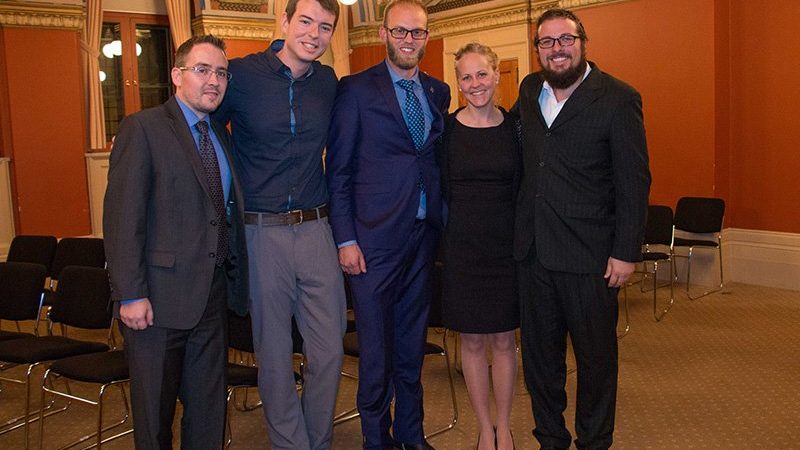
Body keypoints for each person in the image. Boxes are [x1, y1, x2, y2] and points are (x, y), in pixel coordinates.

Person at [513, 8, 651, 450]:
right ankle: (550, 439)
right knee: (540, 363)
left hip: (591, 259)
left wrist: (626, 251)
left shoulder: (618, 98)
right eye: (547, 41)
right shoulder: (529, 90)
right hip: (534, 255)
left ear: (582, 42)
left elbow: (634, 181)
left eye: (565, 39)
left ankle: (594, 442)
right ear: (537, 49)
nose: (557, 49)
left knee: (596, 363)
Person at [212, 0, 346, 448]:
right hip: (260, 232)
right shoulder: (241, 75)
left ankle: (316, 440)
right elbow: (208, 135)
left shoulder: (327, 82)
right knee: (273, 355)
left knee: (329, 350)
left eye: (325, 27)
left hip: (316, 229)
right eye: (305, 21)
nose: (314, 34)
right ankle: (291, 444)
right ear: (285, 21)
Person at [104, 34, 249, 449]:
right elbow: (122, 218)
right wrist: (131, 294)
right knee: (155, 418)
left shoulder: (219, 133)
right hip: (157, 303)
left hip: (212, 298)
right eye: (202, 70)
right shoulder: (142, 128)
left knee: (207, 415)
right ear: (177, 75)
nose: (214, 80)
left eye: (221, 73)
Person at [325, 0, 450, 448]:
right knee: (376, 354)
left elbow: (433, 159)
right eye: (400, 31)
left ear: (426, 37)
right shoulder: (356, 90)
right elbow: (338, 172)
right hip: (372, 243)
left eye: (417, 32)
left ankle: (411, 436)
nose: (408, 40)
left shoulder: (438, 91)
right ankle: (376, 440)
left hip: (422, 237)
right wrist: (345, 239)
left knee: (412, 347)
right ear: (383, 34)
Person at [439, 42, 520, 450]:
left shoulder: (516, 128)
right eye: (466, 77)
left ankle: (504, 427)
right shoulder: (446, 130)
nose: (475, 84)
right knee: (471, 342)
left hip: (506, 249)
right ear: (458, 83)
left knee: (504, 340)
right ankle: (484, 428)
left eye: (482, 74)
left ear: (496, 74)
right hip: (462, 250)